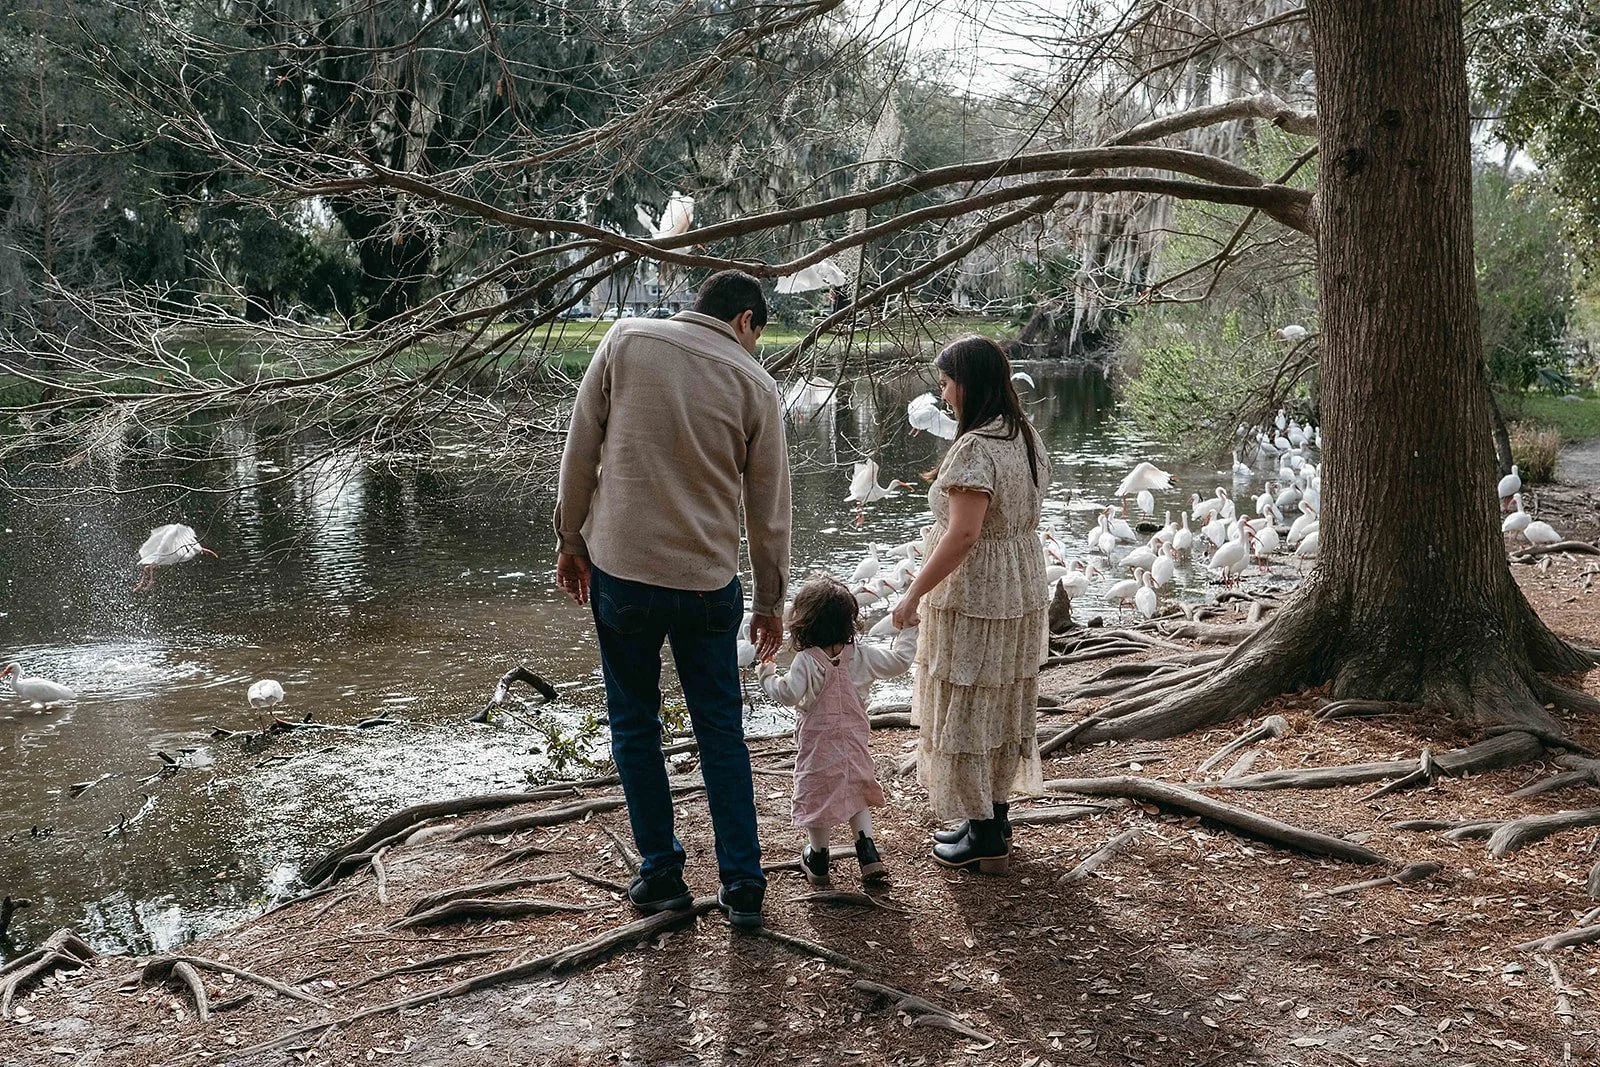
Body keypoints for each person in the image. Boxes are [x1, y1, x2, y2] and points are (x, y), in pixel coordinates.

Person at [554, 269, 791, 930]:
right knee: (720, 732)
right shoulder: (755, 384)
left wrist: (570, 537)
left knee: (634, 722)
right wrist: (770, 601)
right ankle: (743, 883)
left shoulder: (625, 339)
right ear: (746, 321)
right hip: (706, 583)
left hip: (621, 572)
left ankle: (661, 872)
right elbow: (769, 512)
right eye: (757, 336)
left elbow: (581, 449)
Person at [891, 336, 1049, 875]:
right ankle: (991, 817)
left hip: (979, 588)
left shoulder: (976, 448)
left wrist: (914, 593)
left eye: (946, 382)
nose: (943, 393)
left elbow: (962, 536)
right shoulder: (1022, 434)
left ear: (969, 384)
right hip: (1019, 584)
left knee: (969, 696)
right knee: (998, 697)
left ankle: (984, 835)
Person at [755, 575, 918, 886]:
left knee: (816, 791)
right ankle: (867, 851)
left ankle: (818, 857)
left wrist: (767, 675)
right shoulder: (862, 654)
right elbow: (899, 662)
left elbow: (788, 694)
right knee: (855, 785)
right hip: (855, 738)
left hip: (817, 744)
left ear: (803, 623)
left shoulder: (806, 660)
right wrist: (909, 629)